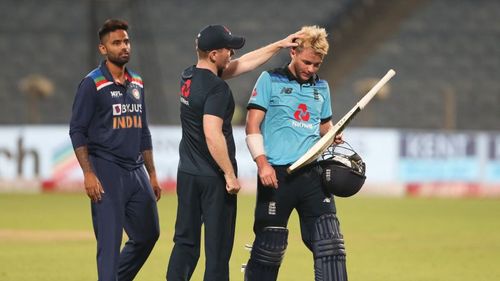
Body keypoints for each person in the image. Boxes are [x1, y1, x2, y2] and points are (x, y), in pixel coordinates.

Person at [166, 25, 301, 281]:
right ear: (214, 54)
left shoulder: (188, 76)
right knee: (217, 251)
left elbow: (244, 64)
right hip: (214, 180)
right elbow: (212, 132)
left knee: (185, 243)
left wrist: (279, 44)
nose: (232, 54)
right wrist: (229, 174)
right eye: (228, 50)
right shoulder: (218, 89)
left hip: (187, 173)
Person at [244, 25, 346, 281]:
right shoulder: (269, 79)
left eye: (317, 65)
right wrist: (262, 164)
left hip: (313, 174)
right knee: (269, 248)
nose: (311, 69)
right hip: (277, 175)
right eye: (307, 62)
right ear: (293, 53)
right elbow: (252, 125)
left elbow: (324, 125)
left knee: (330, 245)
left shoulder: (322, 88)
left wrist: (332, 134)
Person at [69, 19, 161, 281]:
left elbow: (143, 130)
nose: (124, 47)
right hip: (106, 169)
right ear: (103, 48)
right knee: (109, 245)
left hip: (136, 170)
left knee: (148, 234)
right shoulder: (92, 84)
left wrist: (152, 173)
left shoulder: (137, 82)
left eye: (126, 41)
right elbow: (77, 131)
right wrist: (88, 173)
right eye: (116, 43)